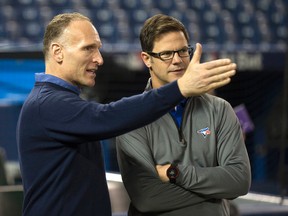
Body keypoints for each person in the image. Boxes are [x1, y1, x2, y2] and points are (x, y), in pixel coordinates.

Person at [16, 12, 237, 216]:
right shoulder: (47, 104)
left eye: (99, 48)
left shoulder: (60, 101)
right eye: (88, 49)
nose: (99, 59)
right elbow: (106, 117)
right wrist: (179, 88)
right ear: (57, 52)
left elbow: (239, 180)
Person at [116, 14, 251, 216]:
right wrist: (215, 194)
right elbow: (147, 198)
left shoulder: (220, 109)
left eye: (182, 51)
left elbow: (239, 181)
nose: (177, 60)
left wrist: (174, 172)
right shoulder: (131, 116)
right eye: (166, 54)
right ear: (147, 59)